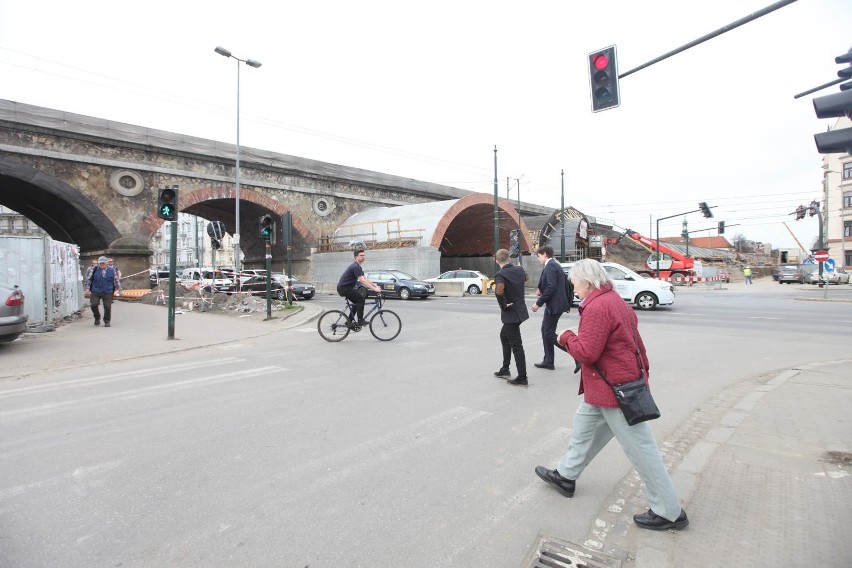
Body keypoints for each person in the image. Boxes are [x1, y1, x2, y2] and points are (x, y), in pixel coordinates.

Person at [535, 259, 688, 531]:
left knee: (641, 450)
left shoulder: (597, 307)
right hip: (611, 386)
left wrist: (566, 337)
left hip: (615, 390)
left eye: (575, 284)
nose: (574, 289)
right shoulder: (614, 300)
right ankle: (566, 475)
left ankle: (669, 511)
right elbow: (635, 344)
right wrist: (642, 376)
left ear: (587, 282)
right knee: (584, 429)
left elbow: (587, 353)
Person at [493, 248, 530, 387]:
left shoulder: (500, 274)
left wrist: (503, 305)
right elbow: (526, 277)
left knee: (517, 345)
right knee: (504, 336)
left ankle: (522, 377)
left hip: (511, 314)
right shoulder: (519, 270)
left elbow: (499, 290)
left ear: (497, 261)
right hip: (520, 311)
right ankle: (505, 368)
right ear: (509, 258)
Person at [530, 246, 569, 370]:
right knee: (545, 331)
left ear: (545, 254)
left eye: (539, 256)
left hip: (555, 305)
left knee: (548, 333)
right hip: (555, 304)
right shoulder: (554, 265)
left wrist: (538, 303)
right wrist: (541, 290)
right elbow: (553, 285)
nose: (538, 259)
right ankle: (548, 361)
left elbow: (552, 287)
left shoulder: (551, 266)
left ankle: (576, 355)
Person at [337, 249, 381, 326]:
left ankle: (349, 321)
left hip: (346, 288)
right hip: (344, 288)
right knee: (361, 299)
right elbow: (362, 281)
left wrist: (375, 285)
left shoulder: (358, 266)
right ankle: (360, 321)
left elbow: (365, 278)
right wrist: (374, 289)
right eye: (361, 255)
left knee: (356, 303)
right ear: (356, 257)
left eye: (364, 255)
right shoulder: (355, 266)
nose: (363, 257)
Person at [86, 255, 122, 327]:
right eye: (100, 263)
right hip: (96, 290)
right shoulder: (94, 269)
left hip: (107, 291)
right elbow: (89, 279)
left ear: (107, 263)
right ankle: (97, 317)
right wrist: (87, 288)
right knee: (93, 304)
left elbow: (116, 280)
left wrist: (119, 289)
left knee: (107, 306)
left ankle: (107, 321)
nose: (101, 265)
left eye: (103, 263)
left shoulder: (112, 270)